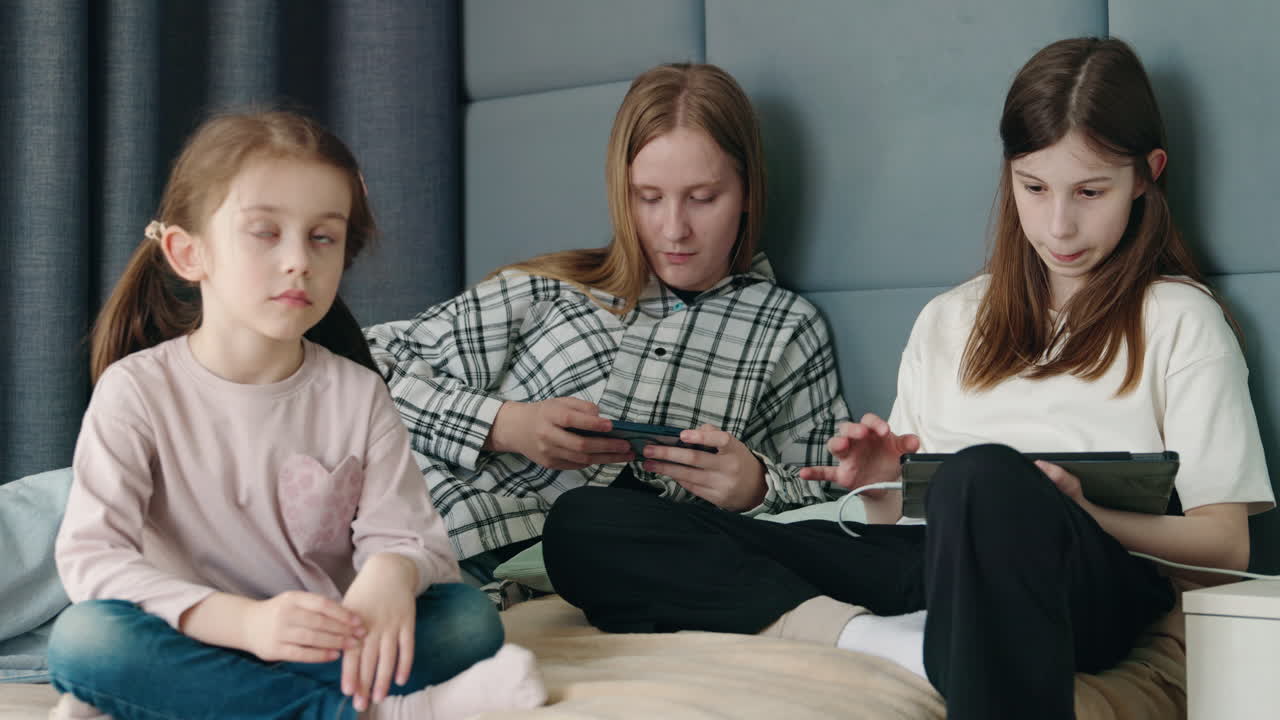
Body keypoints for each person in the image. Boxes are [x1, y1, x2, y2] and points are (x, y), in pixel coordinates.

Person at [542, 37, 1275, 719]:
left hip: (1084, 578)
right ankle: (886, 646)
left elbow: (1228, 548)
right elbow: (900, 522)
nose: (1058, 227)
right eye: (1033, 188)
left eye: (1090, 193)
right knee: (589, 525)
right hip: (926, 571)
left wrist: (1084, 513)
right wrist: (884, 483)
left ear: (1147, 177)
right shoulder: (952, 317)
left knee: (982, 478)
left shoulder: (1181, 318)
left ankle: (946, 645)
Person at [46, 110, 546, 720]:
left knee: (467, 619)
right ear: (187, 252)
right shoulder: (136, 391)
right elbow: (93, 559)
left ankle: (186, 701)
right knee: (84, 641)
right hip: (196, 636)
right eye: (264, 232)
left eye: (322, 236)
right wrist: (248, 624)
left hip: (327, 640)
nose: (298, 261)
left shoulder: (358, 393)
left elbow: (413, 540)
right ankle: (375, 713)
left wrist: (390, 572)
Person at [364, 63, 851, 583]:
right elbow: (363, 366)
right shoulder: (547, 291)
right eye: (649, 198)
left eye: (703, 198)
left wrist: (756, 487)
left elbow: (838, 499)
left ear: (748, 192)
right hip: (430, 528)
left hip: (579, 570)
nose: (674, 229)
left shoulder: (786, 329)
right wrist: (505, 426)